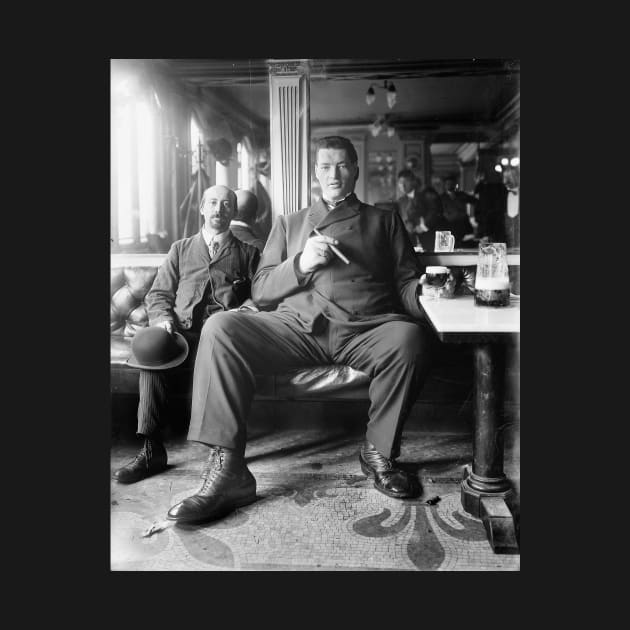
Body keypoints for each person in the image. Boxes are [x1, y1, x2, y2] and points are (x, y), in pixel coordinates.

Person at [165, 136, 454, 525]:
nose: (333, 174)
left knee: (410, 339)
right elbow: (262, 290)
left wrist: (423, 292)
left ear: (354, 169)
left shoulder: (383, 220)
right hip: (297, 327)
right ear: (315, 173)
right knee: (220, 327)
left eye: (341, 165)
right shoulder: (290, 223)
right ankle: (228, 469)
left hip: (363, 328)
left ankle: (378, 452)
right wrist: (300, 263)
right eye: (324, 166)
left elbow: (405, 284)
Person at [113, 185, 261, 484]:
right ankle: (152, 449)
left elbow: (261, 295)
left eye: (226, 205)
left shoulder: (248, 252)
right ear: (203, 209)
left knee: (227, 362)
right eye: (213, 203)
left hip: (222, 336)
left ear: (233, 212)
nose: (219, 209)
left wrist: (241, 313)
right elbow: (159, 295)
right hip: (182, 333)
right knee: (152, 349)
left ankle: (222, 454)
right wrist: (164, 320)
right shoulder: (180, 249)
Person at [440, 175, 476, 248]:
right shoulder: (441, 198)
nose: (449, 185)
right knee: (451, 246)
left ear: (454, 184)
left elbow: (475, 201)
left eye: (451, 183)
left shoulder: (461, 195)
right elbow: (440, 212)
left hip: (463, 225)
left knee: (466, 245)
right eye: (447, 183)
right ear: (445, 185)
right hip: (449, 225)